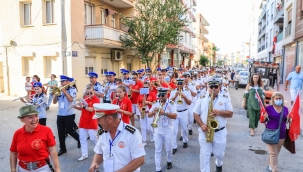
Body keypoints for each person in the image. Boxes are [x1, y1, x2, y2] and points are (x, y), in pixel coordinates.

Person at [88, 103, 145, 172]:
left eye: (99, 119)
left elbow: (140, 159)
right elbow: (99, 151)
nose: (98, 123)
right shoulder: (103, 133)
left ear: (109, 119)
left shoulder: (131, 133)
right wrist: (95, 162)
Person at [193, 77, 233, 172]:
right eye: (211, 86)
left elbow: (230, 114)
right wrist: (202, 125)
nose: (213, 88)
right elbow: (195, 113)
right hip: (205, 131)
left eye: (215, 86)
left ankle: (219, 163)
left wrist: (219, 112)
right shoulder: (202, 99)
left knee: (219, 154)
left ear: (219, 87)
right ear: (207, 87)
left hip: (220, 132)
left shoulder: (225, 99)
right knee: (204, 155)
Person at [10, 105, 61, 172]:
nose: (35, 119)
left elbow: (52, 150)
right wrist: (13, 169)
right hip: (22, 169)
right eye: (30, 117)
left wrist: (57, 169)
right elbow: (13, 153)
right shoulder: (18, 133)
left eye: (36, 116)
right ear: (22, 120)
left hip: (42, 169)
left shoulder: (46, 130)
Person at [148, 87, 177, 172]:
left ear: (167, 94)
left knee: (168, 149)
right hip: (157, 130)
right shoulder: (155, 103)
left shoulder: (171, 103)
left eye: (162, 95)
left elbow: (175, 116)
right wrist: (153, 111)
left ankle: (169, 160)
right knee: (157, 149)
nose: (160, 97)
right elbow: (149, 114)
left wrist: (164, 113)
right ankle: (158, 168)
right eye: (159, 95)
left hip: (168, 130)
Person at [53, 75, 80, 156]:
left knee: (70, 130)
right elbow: (54, 102)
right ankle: (63, 149)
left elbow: (71, 99)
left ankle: (79, 139)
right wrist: (55, 94)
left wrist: (64, 91)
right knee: (60, 132)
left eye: (63, 81)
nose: (61, 83)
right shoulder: (59, 90)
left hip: (69, 113)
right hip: (60, 114)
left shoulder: (72, 89)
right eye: (61, 81)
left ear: (68, 82)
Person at [73, 86, 100, 162]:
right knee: (82, 139)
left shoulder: (96, 100)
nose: (89, 95)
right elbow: (82, 108)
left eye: (91, 93)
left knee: (93, 138)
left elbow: (92, 109)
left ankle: (101, 150)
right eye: (87, 93)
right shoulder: (85, 98)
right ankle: (84, 154)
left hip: (92, 121)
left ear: (94, 92)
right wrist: (75, 106)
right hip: (83, 121)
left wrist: (84, 106)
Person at [263, 92, 289, 172]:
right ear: (273, 100)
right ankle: (274, 169)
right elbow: (263, 120)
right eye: (276, 98)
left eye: (280, 98)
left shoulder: (285, 109)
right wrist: (264, 117)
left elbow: (286, 121)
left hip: (282, 133)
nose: (278, 100)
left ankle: (270, 164)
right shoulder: (268, 108)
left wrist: (289, 119)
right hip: (271, 133)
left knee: (275, 152)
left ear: (282, 99)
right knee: (274, 153)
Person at [169, 78, 192, 153]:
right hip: (175, 113)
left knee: (184, 129)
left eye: (180, 83)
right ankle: (174, 146)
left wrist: (184, 97)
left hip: (184, 112)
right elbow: (169, 102)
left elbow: (189, 103)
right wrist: (175, 96)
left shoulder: (187, 91)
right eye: (178, 83)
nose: (179, 85)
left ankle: (185, 141)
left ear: (184, 84)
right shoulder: (173, 91)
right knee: (174, 130)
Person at [137, 82, 157, 146]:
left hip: (149, 112)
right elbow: (137, 103)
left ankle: (152, 134)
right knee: (143, 127)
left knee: (149, 127)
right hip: (142, 111)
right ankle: (144, 141)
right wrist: (139, 109)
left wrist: (148, 102)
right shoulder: (141, 94)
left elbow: (155, 103)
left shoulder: (152, 94)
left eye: (147, 87)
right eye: (144, 87)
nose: (145, 88)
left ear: (149, 87)